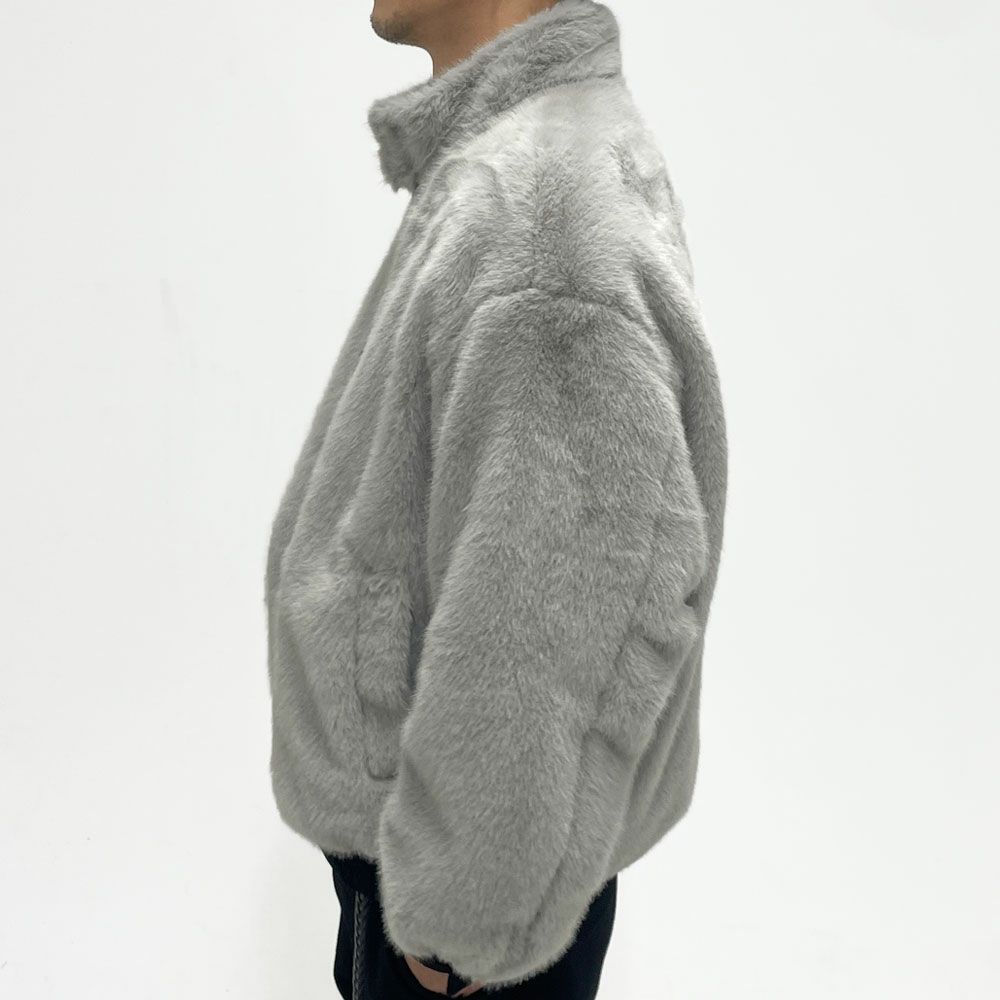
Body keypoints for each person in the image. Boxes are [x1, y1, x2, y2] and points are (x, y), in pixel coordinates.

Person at [264, 0, 728, 996]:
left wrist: (464, 921)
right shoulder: (522, 165)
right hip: (442, 880)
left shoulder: (542, 205)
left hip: (462, 924)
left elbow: (554, 600)